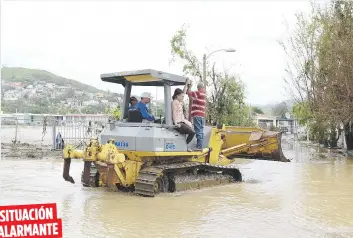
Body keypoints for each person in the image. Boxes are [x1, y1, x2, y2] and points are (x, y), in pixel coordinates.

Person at [185, 80, 206, 150]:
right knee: (201, 131)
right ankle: (200, 145)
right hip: (202, 116)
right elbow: (191, 97)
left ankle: (199, 146)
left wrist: (189, 86)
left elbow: (188, 93)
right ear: (203, 88)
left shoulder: (198, 93)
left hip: (197, 115)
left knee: (198, 131)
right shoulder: (203, 94)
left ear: (198, 88)